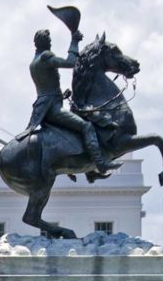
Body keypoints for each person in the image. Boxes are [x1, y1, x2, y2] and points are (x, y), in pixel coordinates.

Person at [20, 28, 122, 175]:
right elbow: (71, 62)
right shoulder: (45, 57)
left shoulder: (33, 62)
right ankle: (100, 163)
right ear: (45, 42)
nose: (50, 43)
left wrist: (61, 95)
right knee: (86, 126)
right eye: (49, 41)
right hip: (52, 109)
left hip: (43, 107)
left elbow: (47, 89)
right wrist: (74, 41)